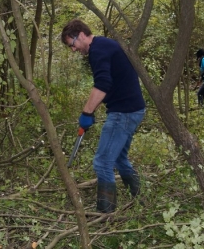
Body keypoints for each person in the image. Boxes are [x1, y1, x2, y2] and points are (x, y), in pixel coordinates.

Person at [61, 19, 147, 213]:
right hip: (133, 109)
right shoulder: (104, 45)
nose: (73, 50)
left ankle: (106, 213)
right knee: (119, 158)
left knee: (102, 162)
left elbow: (103, 84)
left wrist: (87, 112)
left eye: (72, 44)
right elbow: (110, 84)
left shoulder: (98, 50)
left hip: (123, 112)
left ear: (81, 35)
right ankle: (140, 198)